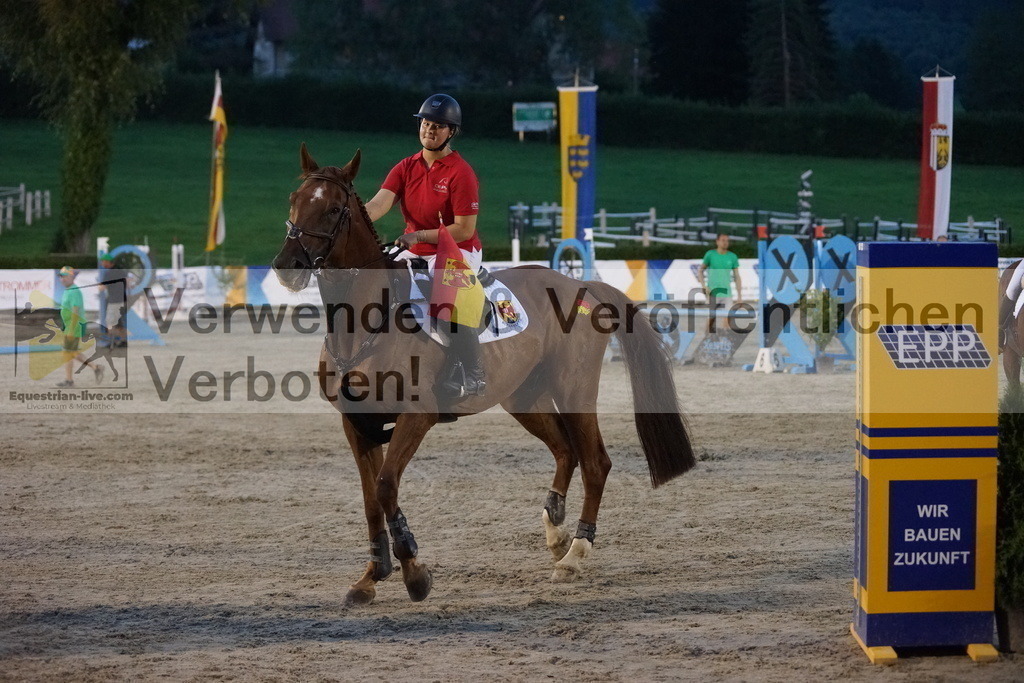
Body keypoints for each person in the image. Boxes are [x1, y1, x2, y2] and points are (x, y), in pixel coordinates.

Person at [364, 93, 485, 398]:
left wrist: (418, 236)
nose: (430, 130)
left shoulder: (462, 172)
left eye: (438, 126)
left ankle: (470, 371)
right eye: (426, 123)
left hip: (457, 251)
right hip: (415, 250)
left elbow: (463, 228)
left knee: (443, 300)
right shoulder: (405, 167)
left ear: (451, 132)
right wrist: (349, 216)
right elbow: (379, 204)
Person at [56, 266, 103, 387]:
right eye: (61, 277)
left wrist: (71, 329)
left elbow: (75, 311)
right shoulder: (69, 290)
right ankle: (95, 367)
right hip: (70, 325)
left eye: (65, 276)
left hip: (74, 326)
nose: (62, 279)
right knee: (71, 352)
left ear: (72, 277)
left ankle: (69, 380)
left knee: (68, 352)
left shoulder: (74, 291)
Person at [697, 234, 743, 334]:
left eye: (727, 240)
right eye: (723, 240)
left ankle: (724, 338)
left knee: (727, 317)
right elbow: (700, 271)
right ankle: (708, 337)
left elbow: (737, 276)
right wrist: (704, 286)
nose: (725, 242)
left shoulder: (732, 256)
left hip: (727, 292)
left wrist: (739, 295)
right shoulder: (710, 254)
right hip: (712, 292)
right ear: (717, 241)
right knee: (711, 318)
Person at [97, 252, 127, 348]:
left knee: (110, 323)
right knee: (120, 323)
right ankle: (123, 340)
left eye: (103, 262)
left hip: (114, 301)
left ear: (107, 262)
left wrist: (99, 285)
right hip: (123, 300)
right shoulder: (121, 271)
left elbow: (102, 288)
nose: (102, 264)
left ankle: (112, 342)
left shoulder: (108, 273)